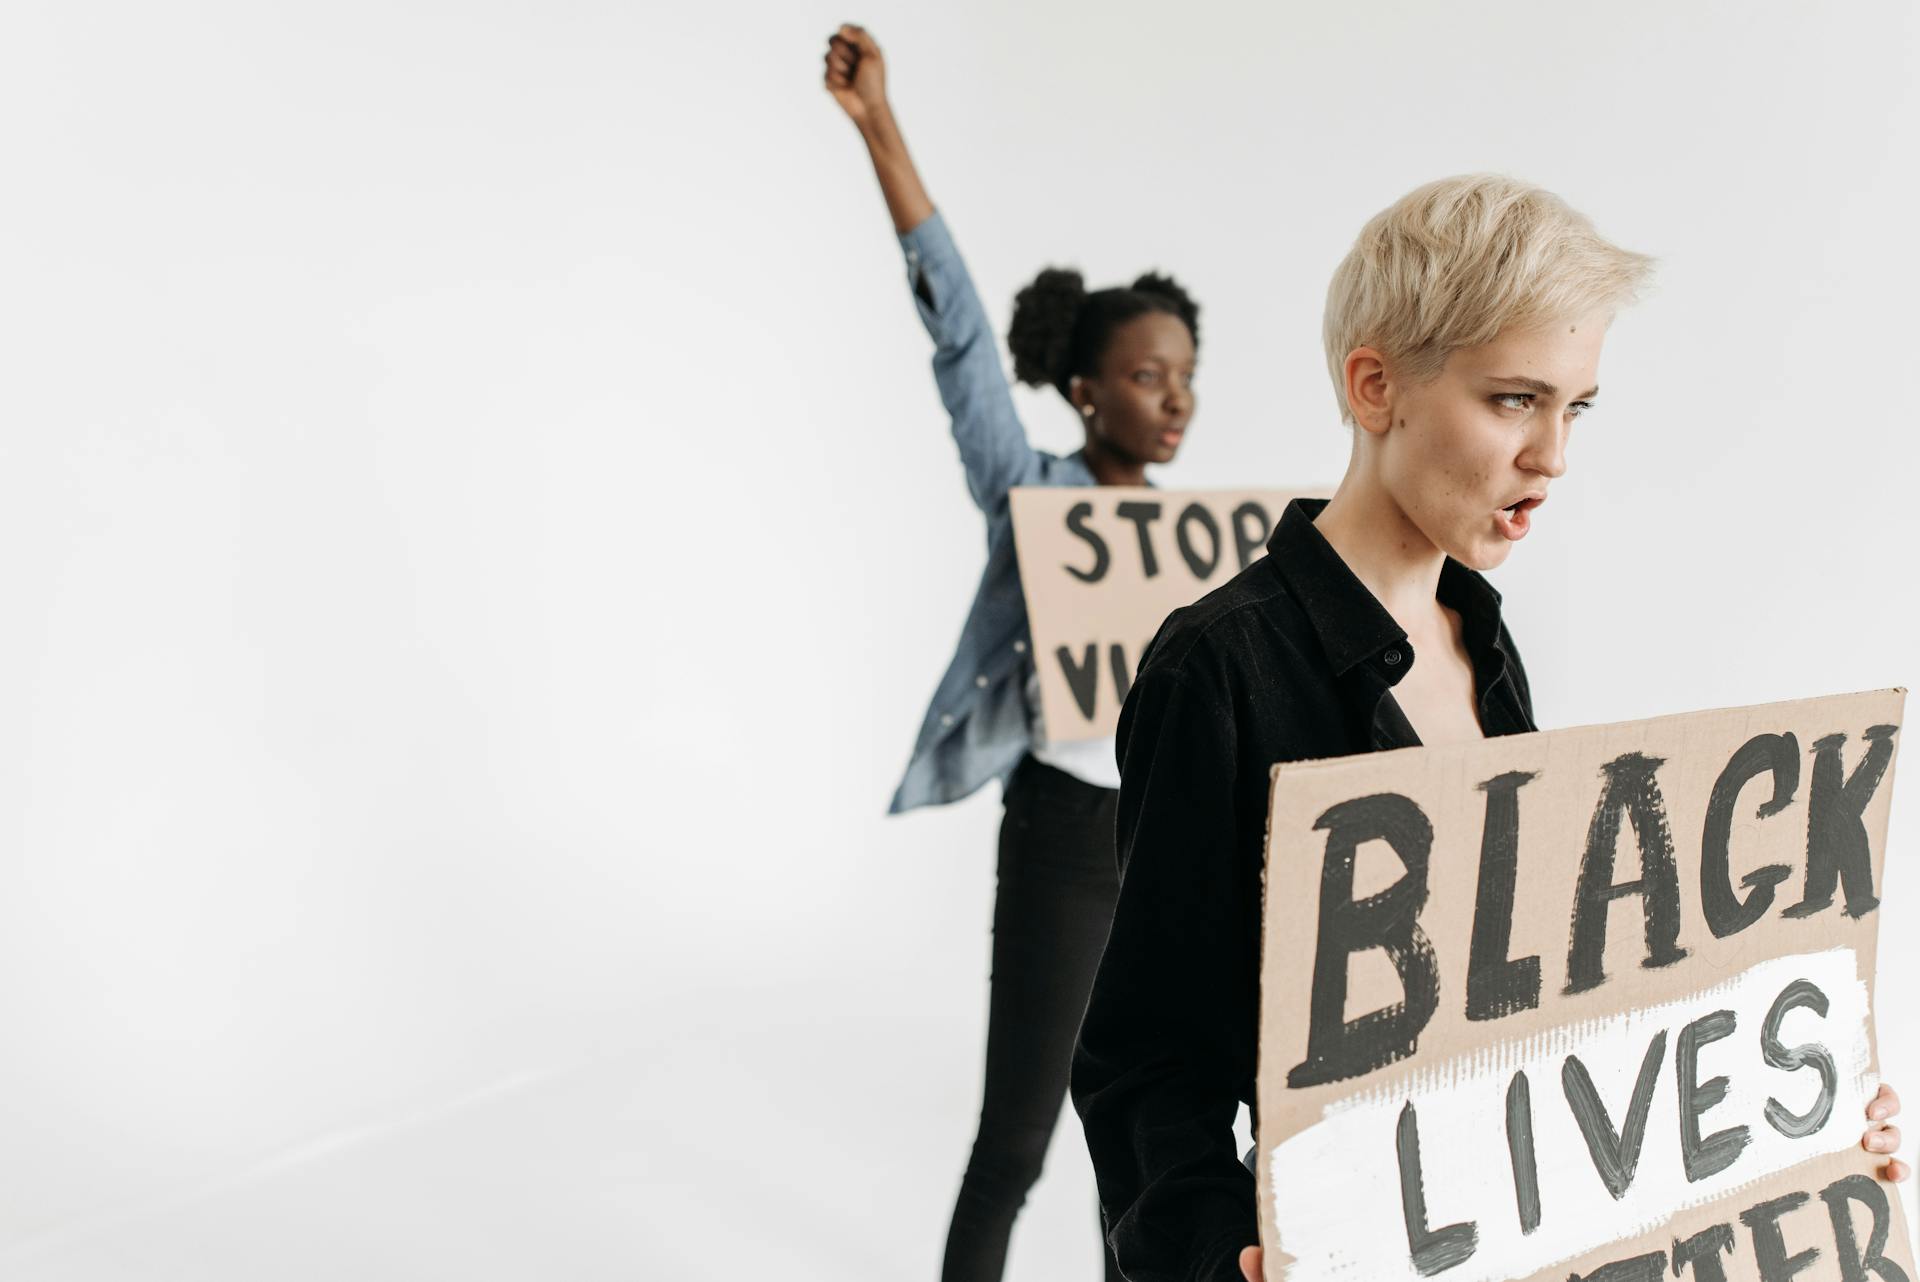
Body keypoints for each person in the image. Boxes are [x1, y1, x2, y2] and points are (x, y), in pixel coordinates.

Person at [1067, 173, 1909, 1282]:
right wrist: (1222, 1252)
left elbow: (1540, 1011)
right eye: (1516, 399)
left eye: (1578, 407)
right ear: (1376, 387)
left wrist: (1789, 1122)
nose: (1553, 455)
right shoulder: (1217, 667)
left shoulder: (1485, 641)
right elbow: (1148, 1060)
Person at [823, 23, 1200, 1282]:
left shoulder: (1215, 547)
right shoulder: (1034, 497)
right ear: (1088, 392)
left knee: (1150, 1144)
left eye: (1187, 377)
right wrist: (884, 131)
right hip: (1064, 843)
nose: (1175, 398)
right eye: (1146, 375)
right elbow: (964, 354)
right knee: (1019, 1140)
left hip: (1178, 846)